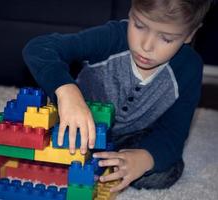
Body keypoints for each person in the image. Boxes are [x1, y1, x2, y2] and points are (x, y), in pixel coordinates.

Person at [22, 0, 213, 192]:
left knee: (163, 172)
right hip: (76, 124)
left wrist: (145, 159)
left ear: (190, 34)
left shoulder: (189, 69)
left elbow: (173, 132)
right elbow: (39, 47)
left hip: (131, 138)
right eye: (139, 26)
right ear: (131, 12)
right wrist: (67, 92)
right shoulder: (111, 38)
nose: (146, 46)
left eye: (166, 38)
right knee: (17, 142)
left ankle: (102, 162)